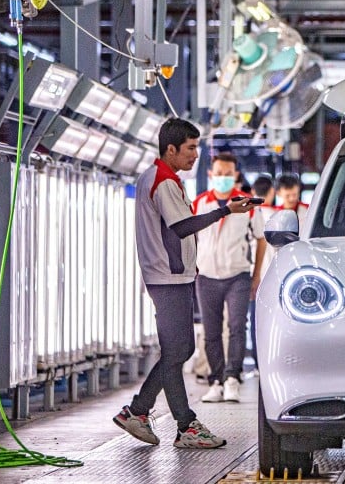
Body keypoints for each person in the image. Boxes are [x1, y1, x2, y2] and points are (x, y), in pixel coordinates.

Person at [113, 118, 256, 449]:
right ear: (171, 149)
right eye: (190, 148)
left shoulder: (161, 177)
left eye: (197, 147)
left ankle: (141, 412)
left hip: (169, 276)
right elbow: (182, 226)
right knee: (179, 350)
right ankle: (180, 424)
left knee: (179, 350)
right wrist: (225, 211)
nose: (196, 154)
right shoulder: (163, 181)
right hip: (168, 276)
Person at [192, 152, 266, 404]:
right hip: (207, 276)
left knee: (237, 326)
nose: (223, 178)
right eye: (218, 173)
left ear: (235, 175)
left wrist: (256, 274)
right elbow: (190, 236)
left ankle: (233, 377)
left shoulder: (248, 204)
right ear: (211, 175)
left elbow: (261, 237)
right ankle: (216, 381)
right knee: (211, 330)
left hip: (238, 275)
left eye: (228, 174)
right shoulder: (200, 203)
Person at [248, 174, 278, 369]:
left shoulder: (246, 214)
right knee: (272, 322)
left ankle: (258, 364)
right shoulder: (278, 217)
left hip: (248, 274)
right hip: (273, 277)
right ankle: (270, 363)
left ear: (252, 193)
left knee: (254, 320)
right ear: (273, 192)